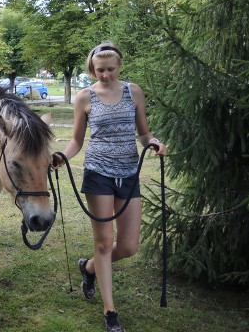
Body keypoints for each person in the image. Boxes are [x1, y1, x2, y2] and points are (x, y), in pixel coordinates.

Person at [53, 42, 167, 332]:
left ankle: (89, 268)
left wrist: (153, 143)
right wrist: (62, 157)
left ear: (119, 66)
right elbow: (77, 140)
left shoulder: (134, 91)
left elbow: (143, 132)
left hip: (129, 173)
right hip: (98, 174)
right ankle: (110, 311)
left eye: (110, 69)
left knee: (129, 246)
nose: (105, 75)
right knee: (103, 243)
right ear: (93, 68)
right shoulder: (84, 97)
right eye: (99, 70)